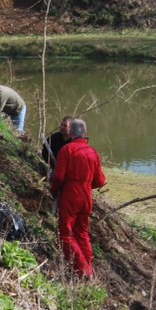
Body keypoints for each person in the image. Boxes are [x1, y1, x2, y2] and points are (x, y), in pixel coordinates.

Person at [50, 119, 106, 279]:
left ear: (71, 133)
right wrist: (86, 184)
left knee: (65, 234)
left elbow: (58, 177)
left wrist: (54, 192)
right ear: (85, 133)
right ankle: (89, 268)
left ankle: (82, 271)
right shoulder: (93, 152)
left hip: (70, 194)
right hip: (86, 196)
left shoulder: (67, 150)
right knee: (82, 233)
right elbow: (101, 181)